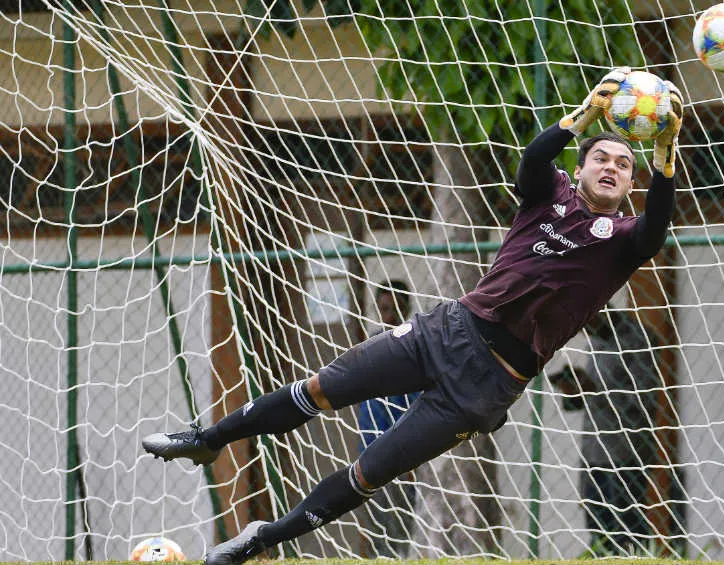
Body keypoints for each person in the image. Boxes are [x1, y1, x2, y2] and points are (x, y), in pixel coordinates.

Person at [141, 66, 684, 565]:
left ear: (631, 183)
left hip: (485, 386)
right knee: (319, 390)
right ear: (582, 167)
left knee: (369, 472)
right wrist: (586, 113)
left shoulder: (622, 240)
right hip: (446, 332)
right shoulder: (550, 195)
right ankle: (209, 438)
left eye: (623, 165)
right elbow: (536, 159)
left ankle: (261, 539)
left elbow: (657, 227)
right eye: (601, 158)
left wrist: (665, 149)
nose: (611, 168)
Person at [551, 309, 681, 556]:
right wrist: (574, 391)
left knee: (627, 531)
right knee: (598, 530)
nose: (583, 332)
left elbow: (643, 403)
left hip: (625, 453)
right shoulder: (596, 339)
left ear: (600, 309)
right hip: (593, 452)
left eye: (586, 324)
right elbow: (588, 399)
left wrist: (594, 391)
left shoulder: (639, 339)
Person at [355, 280, 419, 558]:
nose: (389, 313)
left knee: (399, 529)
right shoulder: (371, 345)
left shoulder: (415, 347)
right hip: (368, 453)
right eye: (384, 307)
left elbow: (418, 403)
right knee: (375, 526)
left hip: (401, 455)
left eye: (395, 307)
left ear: (406, 307)